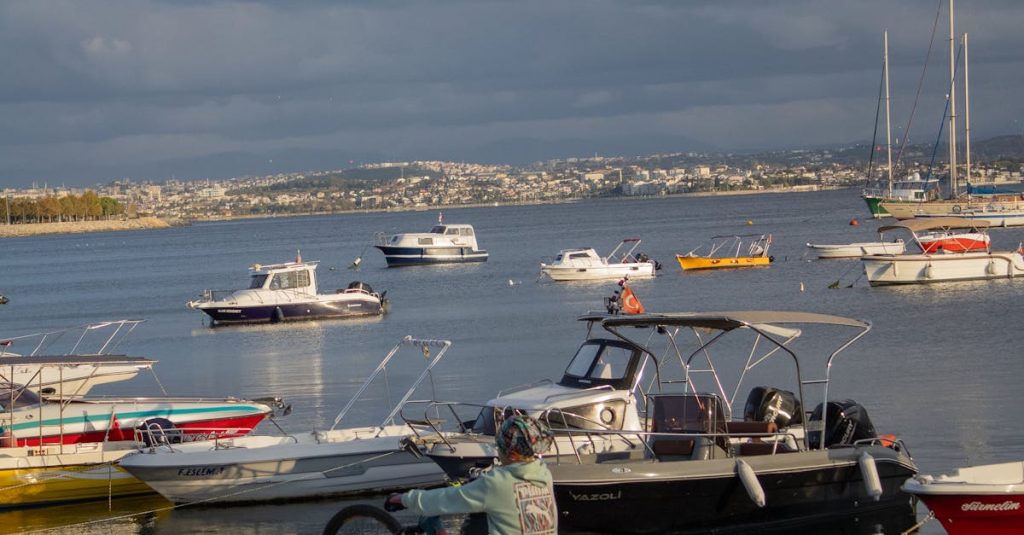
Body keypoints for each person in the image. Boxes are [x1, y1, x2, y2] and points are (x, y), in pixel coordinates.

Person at [386, 414, 557, 535]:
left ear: (507, 450)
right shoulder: (544, 475)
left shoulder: (498, 484)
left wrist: (404, 499)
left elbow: (445, 499)